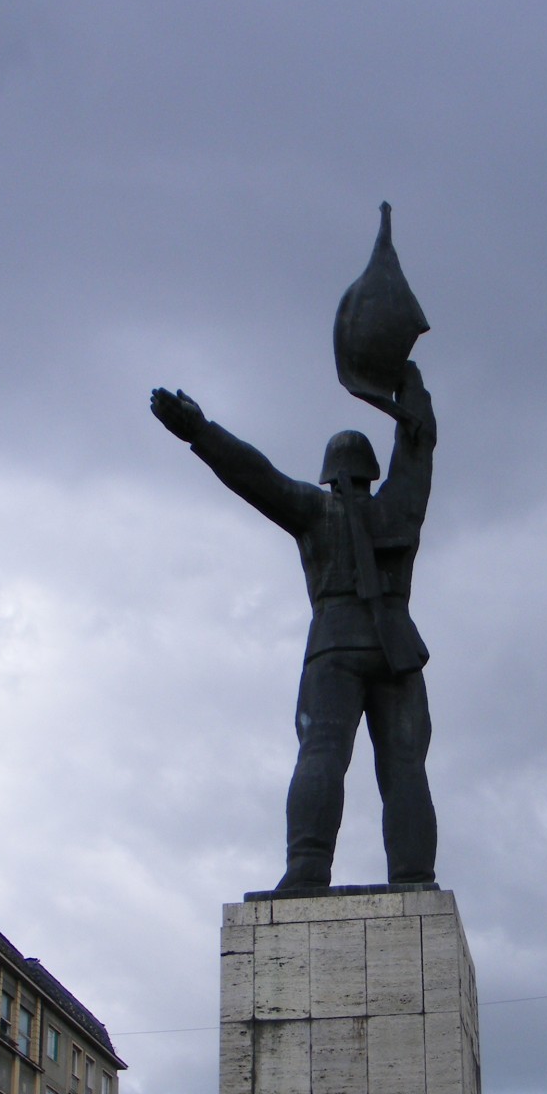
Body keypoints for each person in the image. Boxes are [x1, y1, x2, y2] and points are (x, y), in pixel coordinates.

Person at [150, 362, 438, 890]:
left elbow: (257, 476)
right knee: (405, 767)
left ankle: (308, 865)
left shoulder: (313, 508)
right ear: (371, 472)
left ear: (329, 473)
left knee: (322, 750)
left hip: (334, 646)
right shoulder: (400, 507)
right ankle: (414, 875)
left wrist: (201, 432)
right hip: (396, 649)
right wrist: (408, 387)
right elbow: (418, 447)